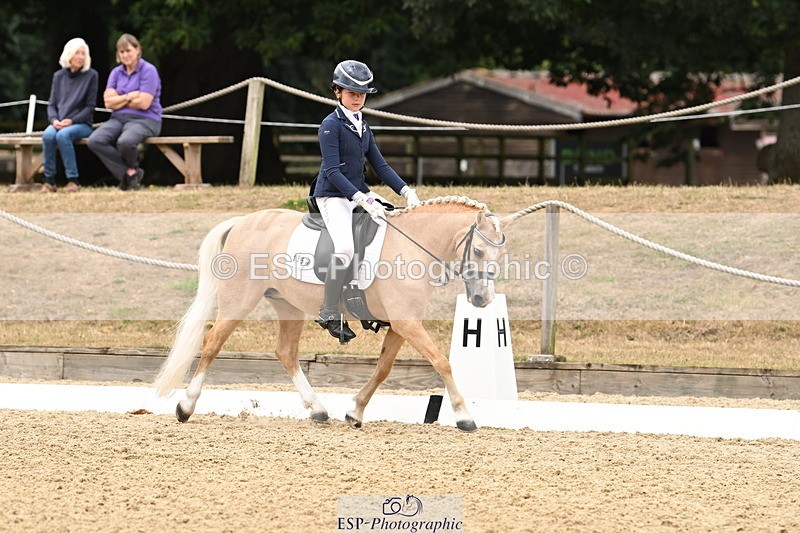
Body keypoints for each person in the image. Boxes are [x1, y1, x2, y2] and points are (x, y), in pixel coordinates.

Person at [311, 59, 422, 342]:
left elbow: (381, 167)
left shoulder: (364, 127)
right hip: (332, 195)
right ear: (337, 92)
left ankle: (366, 294)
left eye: (361, 94)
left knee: (391, 224)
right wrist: (361, 198)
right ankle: (328, 310)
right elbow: (333, 171)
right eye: (351, 93)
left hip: (358, 192)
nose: (357, 98)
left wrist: (406, 191)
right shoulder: (329, 126)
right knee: (345, 248)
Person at [87, 34, 162, 190]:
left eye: (128, 50)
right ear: (118, 54)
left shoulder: (149, 70)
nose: (125, 55)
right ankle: (130, 173)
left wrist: (119, 99)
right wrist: (129, 96)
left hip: (145, 119)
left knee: (125, 142)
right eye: (122, 52)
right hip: (118, 119)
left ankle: (130, 176)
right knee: (95, 140)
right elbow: (108, 103)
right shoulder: (116, 72)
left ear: (137, 50)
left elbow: (144, 103)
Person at [40, 38, 98, 193]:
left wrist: (71, 121)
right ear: (69, 55)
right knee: (47, 135)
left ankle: (73, 180)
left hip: (82, 124)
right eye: (77, 53)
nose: (80, 57)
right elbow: (52, 105)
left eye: (83, 53)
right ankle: (49, 181)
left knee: (63, 136)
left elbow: (89, 108)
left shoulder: (92, 75)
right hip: (59, 123)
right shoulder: (58, 76)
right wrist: (54, 120)